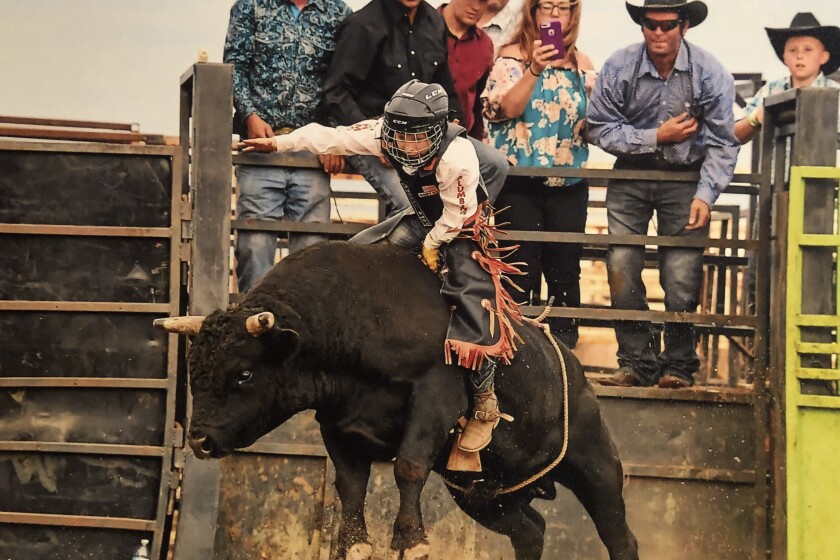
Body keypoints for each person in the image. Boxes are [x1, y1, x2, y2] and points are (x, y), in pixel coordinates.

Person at [242, 80, 523, 461]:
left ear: (438, 131)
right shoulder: (382, 133)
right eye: (400, 136)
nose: (406, 146)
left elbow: (457, 214)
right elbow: (334, 137)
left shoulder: (457, 158)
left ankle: (484, 401)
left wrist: (432, 244)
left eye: (417, 138)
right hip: (425, 215)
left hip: (462, 221)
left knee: (474, 296)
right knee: (357, 256)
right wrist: (279, 144)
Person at [585, 0, 740, 388]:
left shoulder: (710, 72)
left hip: (685, 178)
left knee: (682, 274)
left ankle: (678, 367)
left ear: (684, 25)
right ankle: (636, 362)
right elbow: (598, 128)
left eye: (667, 25)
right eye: (649, 24)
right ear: (641, 25)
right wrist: (657, 136)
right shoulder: (619, 66)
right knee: (621, 261)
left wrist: (706, 194)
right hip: (631, 175)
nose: (658, 33)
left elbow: (724, 141)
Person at [323, 0, 509, 216]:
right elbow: (336, 94)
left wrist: (454, 128)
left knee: (495, 164)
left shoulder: (434, 21)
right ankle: (417, 244)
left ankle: (461, 238)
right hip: (374, 133)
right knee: (414, 207)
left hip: (426, 134)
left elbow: (445, 89)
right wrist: (380, 138)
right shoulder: (363, 24)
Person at [482, 0, 595, 349]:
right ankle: (515, 355)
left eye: (565, 7)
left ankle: (563, 358)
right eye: (548, 6)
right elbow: (505, 109)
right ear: (532, 11)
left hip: (569, 183)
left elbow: (592, 125)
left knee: (565, 273)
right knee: (520, 270)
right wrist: (534, 68)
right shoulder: (510, 58)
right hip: (520, 181)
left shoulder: (583, 64)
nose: (556, 15)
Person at [224, 0, 352, 292]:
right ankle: (252, 323)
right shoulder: (251, 6)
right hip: (261, 146)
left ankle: (301, 328)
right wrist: (249, 114)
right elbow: (234, 67)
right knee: (254, 246)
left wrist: (334, 140)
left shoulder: (338, 13)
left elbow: (341, 81)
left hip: (312, 151)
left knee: (312, 249)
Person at [734, 12, 840, 315]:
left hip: (819, 194)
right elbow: (735, 132)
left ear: (824, 56)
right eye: (793, 50)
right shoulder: (771, 91)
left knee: (814, 264)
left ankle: (808, 338)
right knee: (764, 262)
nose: (800, 57)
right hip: (773, 191)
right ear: (784, 56)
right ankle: (762, 337)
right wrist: (756, 118)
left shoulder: (835, 96)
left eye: (808, 50)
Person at [439, 0, 495, 140]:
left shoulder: (484, 45)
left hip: (462, 138)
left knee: (497, 161)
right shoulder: (422, 28)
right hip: (417, 137)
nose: (475, 7)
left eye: (483, 2)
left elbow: (478, 104)